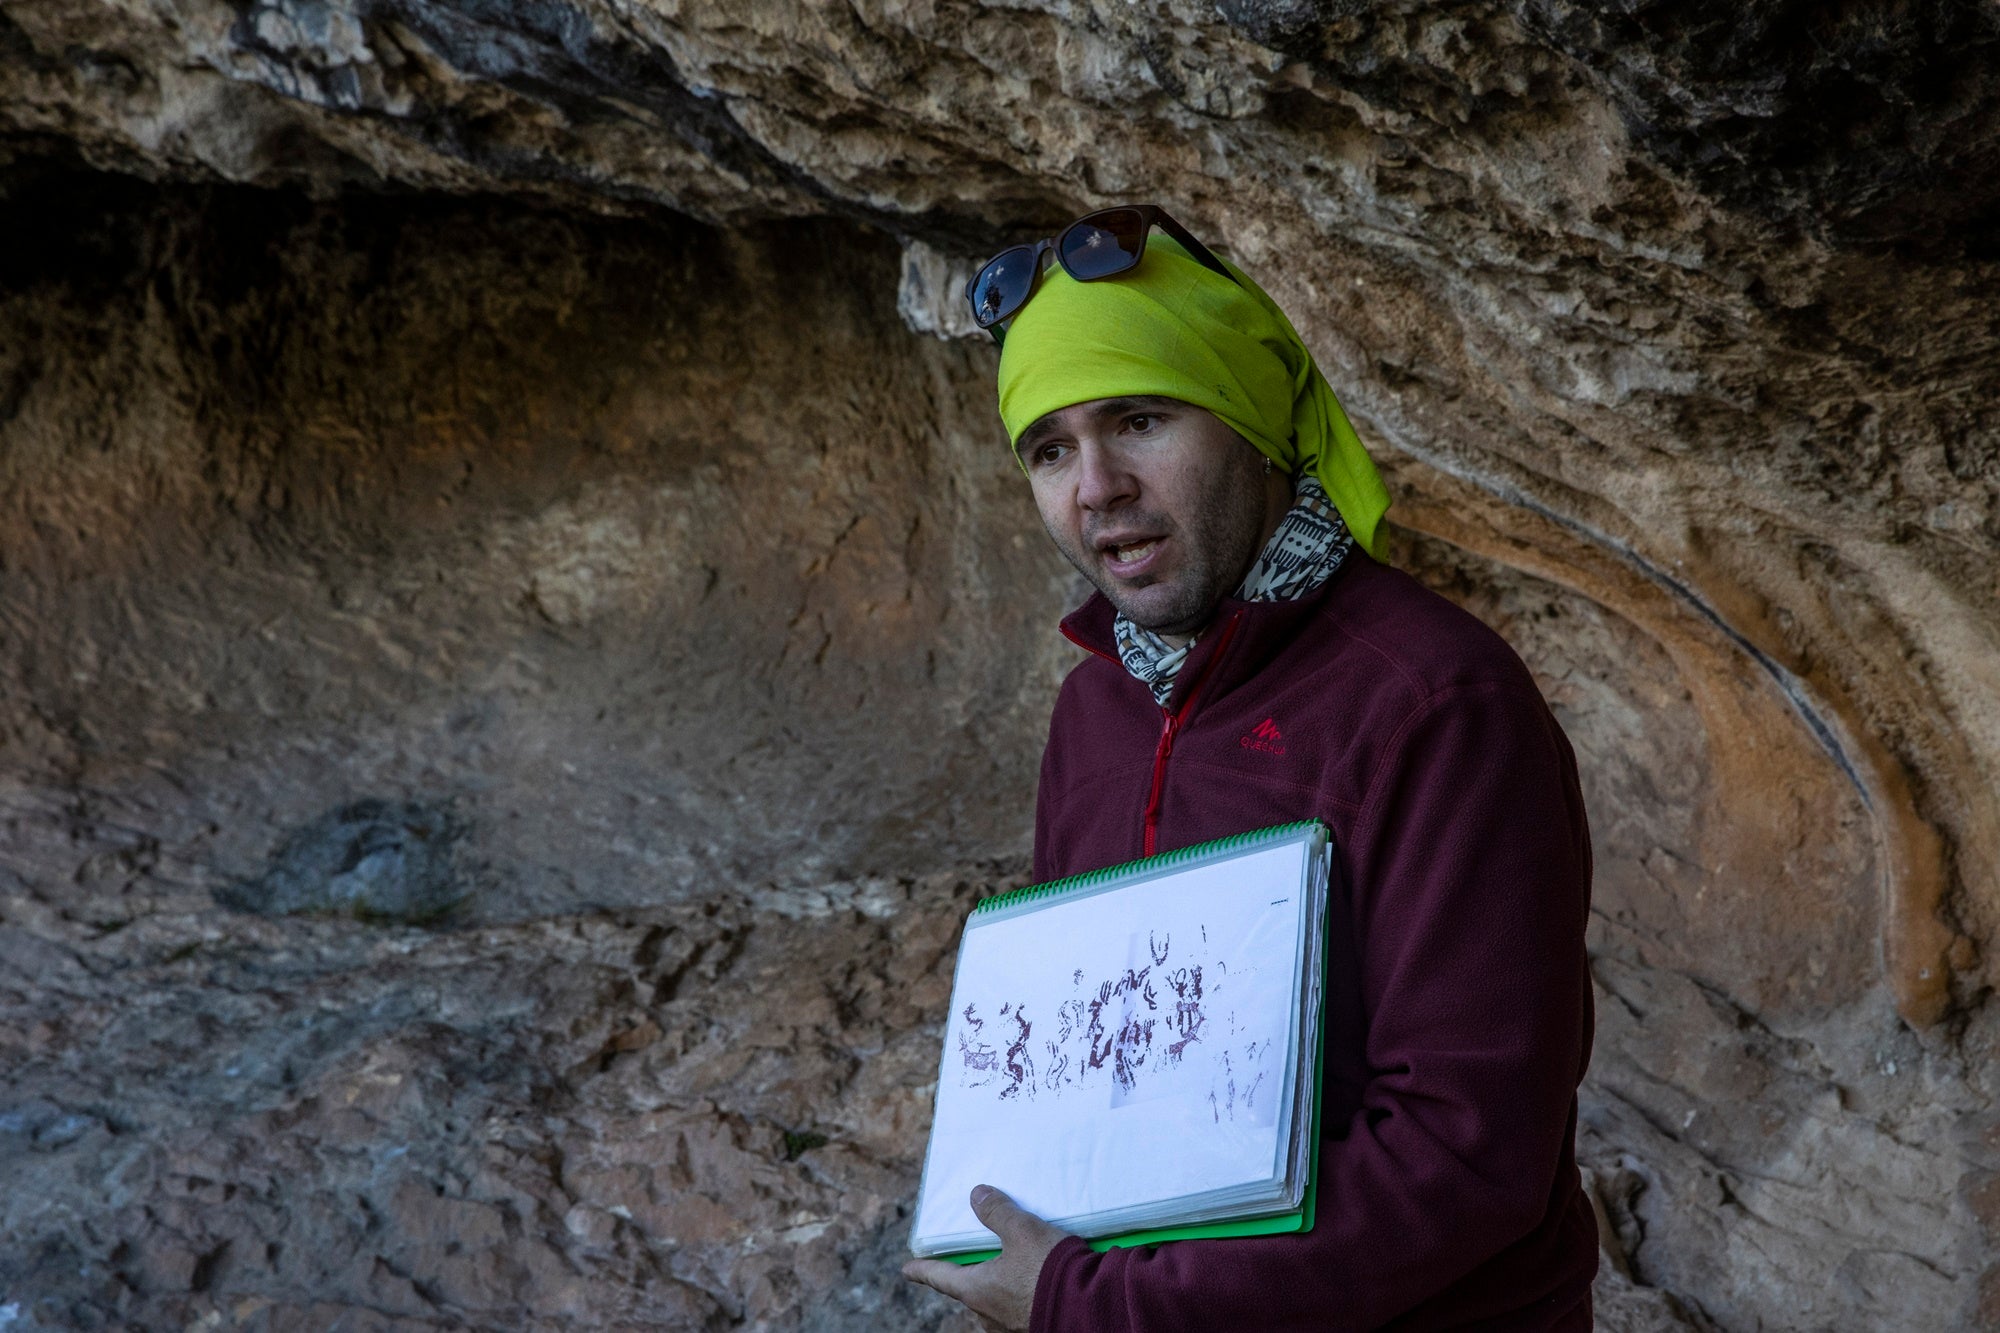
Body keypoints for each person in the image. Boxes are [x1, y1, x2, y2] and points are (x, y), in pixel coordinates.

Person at [902, 207, 1598, 1330]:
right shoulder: (1097, 705)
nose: (1095, 486)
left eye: (1138, 418)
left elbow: (1467, 1155)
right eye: (1048, 448)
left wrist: (1098, 1307)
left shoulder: (1432, 700)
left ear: (1254, 425)